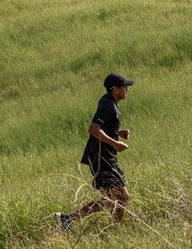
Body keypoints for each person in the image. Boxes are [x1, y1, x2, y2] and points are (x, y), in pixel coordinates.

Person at [56, 73, 134, 229]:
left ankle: (69, 220)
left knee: (112, 198)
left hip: (104, 157)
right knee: (122, 197)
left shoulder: (110, 102)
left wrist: (118, 132)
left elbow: (104, 126)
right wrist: (116, 143)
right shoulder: (108, 105)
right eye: (124, 87)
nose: (127, 89)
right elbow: (93, 129)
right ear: (115, 89)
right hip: (101, 157)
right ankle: (110, 229)